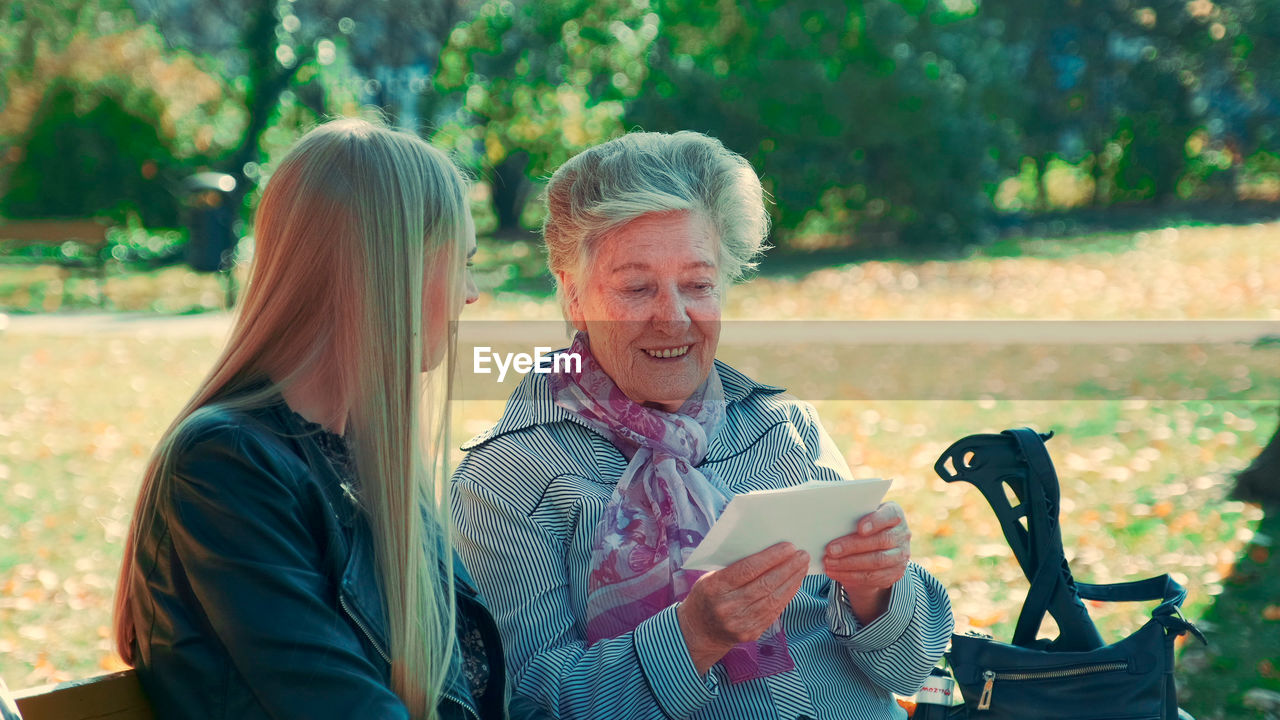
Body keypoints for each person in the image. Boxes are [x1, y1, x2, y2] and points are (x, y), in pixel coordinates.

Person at [452, 131, 954, 719]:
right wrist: (693, 636)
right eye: (636, 288)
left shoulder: (780, 428)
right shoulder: (508, 478)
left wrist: (876, 591)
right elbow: (523, 704)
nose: (673, 318)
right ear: (572, 295)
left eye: (698, 285)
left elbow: (910, 668)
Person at [112, 118, 547, 720]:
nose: (471, 294)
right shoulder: (225, 468)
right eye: (463, 263)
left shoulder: (375, 467)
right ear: (389, 269)